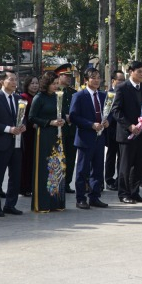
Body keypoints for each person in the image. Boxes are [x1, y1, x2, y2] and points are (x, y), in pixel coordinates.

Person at [0, 71, 27, 217]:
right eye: (11, 79)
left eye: (16, 79)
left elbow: (23, 118)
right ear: (2, 81)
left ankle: (10, 204)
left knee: (15, 175)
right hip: (1, 143)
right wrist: (9, 129)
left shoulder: (18, 98)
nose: (15, 82)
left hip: (17, 143)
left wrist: (23, 126)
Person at [69, 68, 110, 209]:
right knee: (82, 170)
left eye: (99, 77)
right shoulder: (79, 96)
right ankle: (80, 198)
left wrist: (107, 121)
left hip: (100, 138)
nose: (97, 80)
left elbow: (108, 113)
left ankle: (95, 196)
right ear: (86, 80)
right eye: (93, 77)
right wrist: (91, 125)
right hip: (85, 137)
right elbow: (74, 116)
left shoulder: (104, 96)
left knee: (98, 169)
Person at [112, 61, 142, 204]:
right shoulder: (122, 88)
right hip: (127, 134)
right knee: (125, 166)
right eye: (139, 71)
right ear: (130, 72)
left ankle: (135, 192)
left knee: (139, 165)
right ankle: (123, 193)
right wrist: (129, 126)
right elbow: (116, 110)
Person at [29, 71, 66, 213]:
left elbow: (60, 113)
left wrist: (61, 120)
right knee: (44, 168)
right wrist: (49, 122)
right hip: (43, 135)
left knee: (57, 167)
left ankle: (56, 202)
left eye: (57, 83)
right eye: (54, 83)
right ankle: (42, 203)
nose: (56, 86)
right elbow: (32, 117)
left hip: (57, 135)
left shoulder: (58, 97)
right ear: (47, 84)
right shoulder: (39, 98)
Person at [54, 64, 77, 195]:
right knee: (58, 156)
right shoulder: (55, 92)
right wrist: (64, 116)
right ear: (59, 76)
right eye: (66, 76)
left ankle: (67, 182)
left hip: (71, 130)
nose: (69, 78)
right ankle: (58, 181)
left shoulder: (73, 92)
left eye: (70, 76)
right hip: (59, 130)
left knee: (70, 157)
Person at [104, 69, 125, 190]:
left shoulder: (124, 92)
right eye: (120, 80)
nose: (122, 82)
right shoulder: (109, 94)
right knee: (111, 155)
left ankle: (120, 179)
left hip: (123, 129)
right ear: (113, 81)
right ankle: (109, 179)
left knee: (122, 156)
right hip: (111, 130)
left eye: (123, 80)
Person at [19, 75, 39, 197]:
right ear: (27, 85)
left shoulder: (39, 97)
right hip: (27, 133)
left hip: (38, 133)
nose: (35, 85)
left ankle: (33, 185)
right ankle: (24, 186)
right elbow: (22, 116)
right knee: (26, 160)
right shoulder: (23, 97)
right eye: (32, 83)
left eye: (36, 83)